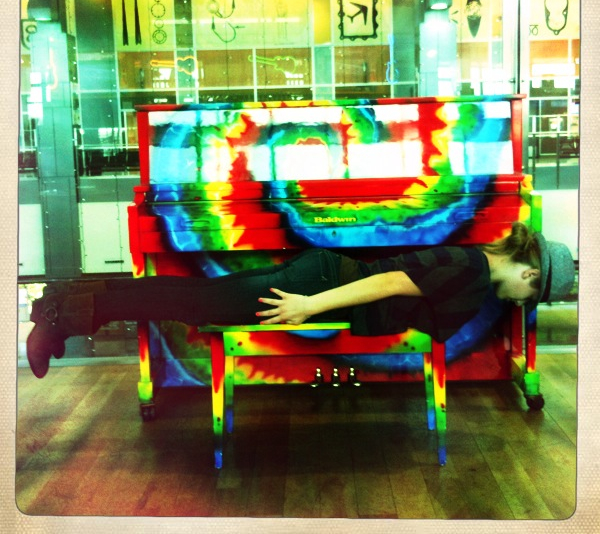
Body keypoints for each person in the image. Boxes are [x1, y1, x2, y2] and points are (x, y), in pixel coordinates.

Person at [25, 222, 575, 379]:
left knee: (188, 297)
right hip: (317, 287)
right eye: (532, 295)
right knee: (187, 300)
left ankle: (61, 303)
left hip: (321, 275)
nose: (522, 304)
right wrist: (310, 307)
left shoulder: (471, 262)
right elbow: (388, 283)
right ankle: (58, 317)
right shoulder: (473, 277)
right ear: (530, 272)